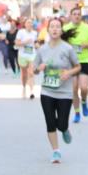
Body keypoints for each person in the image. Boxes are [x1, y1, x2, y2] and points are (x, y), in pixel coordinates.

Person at [35, 17, 80, 163]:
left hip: (65, 93)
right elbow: (34, 70)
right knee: (50, 122)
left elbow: (78, 66)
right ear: (48, 30)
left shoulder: (67, 48)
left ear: (61, 30)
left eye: (57, 27)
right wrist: (38, 68)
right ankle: (56, 151)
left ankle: (65, 129)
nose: (54, 29)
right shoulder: (42, 49)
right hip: (47, 91)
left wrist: (69, 73)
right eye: (52, 26)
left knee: (61, 124)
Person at [63, 6, 88, 122]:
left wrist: (87, 45)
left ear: (81, 16)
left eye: (78, 14)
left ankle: (84, 102)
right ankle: (77, 113)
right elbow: (61, 43)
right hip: (70, 62)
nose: (77, 16)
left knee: (84, 88)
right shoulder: (66, 28)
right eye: (74, 14)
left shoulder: (87, 28)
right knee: (73, 89)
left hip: (84, 61)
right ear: (71, 16)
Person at [15, 18, 37, 99]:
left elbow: (36, 43)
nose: (30, 24)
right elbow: (17, 43)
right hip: (22, 55)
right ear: (25, 24)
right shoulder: (21, 32)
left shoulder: (35, 33)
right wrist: (25, 42)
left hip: (32, 55)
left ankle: (31, 91)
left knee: (31, 73)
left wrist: (37, 45)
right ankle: (24, 87)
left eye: (31, 23)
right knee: (24, 74)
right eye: (28, 22)